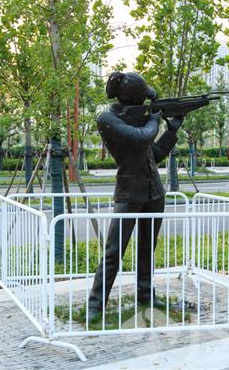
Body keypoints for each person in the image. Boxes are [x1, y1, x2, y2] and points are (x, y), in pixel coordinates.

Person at [87, 71, 183, 322]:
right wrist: (155, 119)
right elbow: (141, 138)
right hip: (129, 193)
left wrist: (171, 131)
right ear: (135, 99)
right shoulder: (107, 118)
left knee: (147, 249)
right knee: (113, 252)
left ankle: (146, 296)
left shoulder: (140, 121)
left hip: (154, 192)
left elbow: (155, 153)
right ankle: (95, 305)